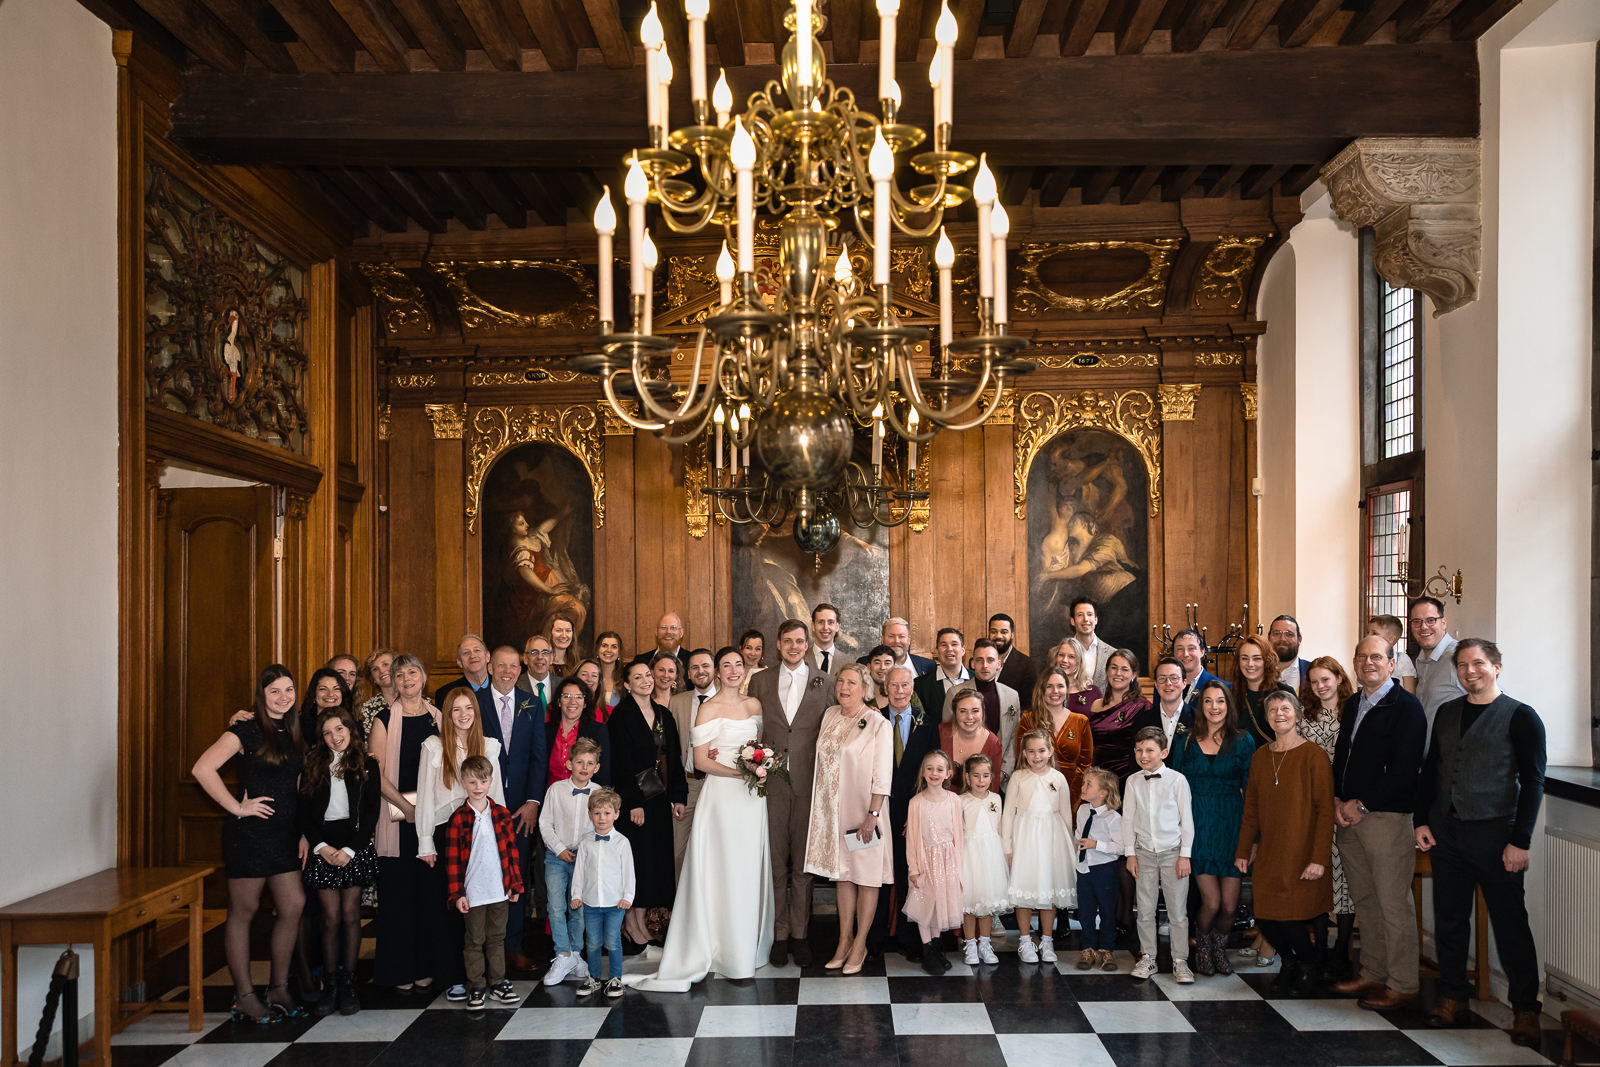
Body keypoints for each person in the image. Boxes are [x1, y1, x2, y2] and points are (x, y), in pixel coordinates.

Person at [1415, 639, 1547, 1047]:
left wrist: (1519, 840)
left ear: (1496, 667)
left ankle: (1526, 1009)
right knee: (1450, 919)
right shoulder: (1448, 713)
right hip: (1447, 833)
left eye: (1478, 664)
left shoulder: (1522, 717)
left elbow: (1534, 783)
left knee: (1510, 924)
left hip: (1496, 834)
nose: (1469, 671)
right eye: (1462, 665)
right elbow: (1432, 770)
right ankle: (1454, 996)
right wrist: (1422, 821)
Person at [636, 645, 775, 990]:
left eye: (737, 665)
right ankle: (721, 950)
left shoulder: (754, 705)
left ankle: (745, 947)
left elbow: (757, 748)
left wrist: (760, 767)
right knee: (722, 870)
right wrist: (739, 773)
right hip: (722, 798)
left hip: (751, 801)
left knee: (746, 870)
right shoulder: (708, 709)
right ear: (716, 671)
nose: (732, 670)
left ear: (744, 669)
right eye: (725, 665)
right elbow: (700, 761)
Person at [191, 664, 307, 1022]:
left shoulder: (295, 729)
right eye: (275, 691)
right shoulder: (245, 729)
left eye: (288, 690)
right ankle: (243, 994)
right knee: (244, 911)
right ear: (262, 695)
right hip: (251, 835)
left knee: (293, 905)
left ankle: (278, 987)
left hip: (286, 835)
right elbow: (202, 769)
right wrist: (238, 808)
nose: (283, 697)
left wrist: (303, 831)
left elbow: (300, 785)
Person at [1331, 634, 1427, 1010]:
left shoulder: (1407, 707)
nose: (1368, 662)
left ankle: (1403, 983)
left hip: (1384, 817)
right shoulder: (1354, 702)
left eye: (1376, 657)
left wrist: (1364, 805)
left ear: (1391, 663)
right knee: (1365, 900)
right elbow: (1343, 755)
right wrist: (1338, 798)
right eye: (1361, 657)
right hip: (1349, 817)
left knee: (1392, 903)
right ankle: (1373, 971)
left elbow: (1405, 770)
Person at [1235, 691, 1333, 996]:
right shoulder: (1261, 756)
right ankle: (1290, 962)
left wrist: (1319, 858)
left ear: (1297, 713)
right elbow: (1250, 808)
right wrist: (1243, 850)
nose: (1279, 713)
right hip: (1270, 851)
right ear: (1266, 717)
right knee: (1265, 915)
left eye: (1285, 708)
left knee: (1293, 917)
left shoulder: (1314, 756)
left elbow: (1325, 810)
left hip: (1303, 850)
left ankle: (1307, 965)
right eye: (1273, 709)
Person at [747, 618, 833, 967]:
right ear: (778, 645)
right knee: (775, 863)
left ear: (807, 644)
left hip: (810, 784)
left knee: (803, 866)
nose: (794, 646)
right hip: (772, 785)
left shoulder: (824, 682)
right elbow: (751, 730)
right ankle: (778, 935)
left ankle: (800, 935)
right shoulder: (760, 681)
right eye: (788, 641)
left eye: (800, 641)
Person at [805, 663, 894, 974]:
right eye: (841, 681)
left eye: (852, 682)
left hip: (864, 816)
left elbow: (883, 775)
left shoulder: (877, 723)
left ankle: (860, 943)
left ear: (865, 688)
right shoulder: (830, 715)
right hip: (834, 816)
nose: (844, 687)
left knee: (867, 879)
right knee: (843, 876)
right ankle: (843, 940)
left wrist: (872, 815)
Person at [416, 689, 504, 1000]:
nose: (463, 714)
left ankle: (483, 978)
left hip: (481, 833)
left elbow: (499, 798)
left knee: (481, 907)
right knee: (450, 906)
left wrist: (500, 838)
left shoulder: (489, 746)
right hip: (445, 833)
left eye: (469, 708)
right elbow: (425, 796)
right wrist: (425, 842)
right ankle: (452, 976)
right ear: (447, 714)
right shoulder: (434, 746)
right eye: (456, 709)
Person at [1168, 679, 1255, 977]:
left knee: (1230, 907)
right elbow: (1173, 788)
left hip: (1231, 827)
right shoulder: (1186, 741)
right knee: (1212, 901)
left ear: (1228, 705)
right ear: (1200, 706)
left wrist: (1252, 840)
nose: (1214, 707)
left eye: (1220, 701)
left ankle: (1219, 946)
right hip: (1198, 828)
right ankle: (1202, 946)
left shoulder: (1243, 741)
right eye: (1208, 701)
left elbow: (1252, 794)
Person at [297, 707, 380, 1017]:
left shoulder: (367, 764)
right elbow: (304, 811)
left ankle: (349, 982)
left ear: (350, 730)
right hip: (323, 844)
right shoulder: (313, 764)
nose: (335, 737)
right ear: (322, 737)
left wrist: (350, 849)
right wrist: (320, 846)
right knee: (329, 917)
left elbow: (371, 813)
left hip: (353, 844)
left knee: (349, 914)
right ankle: (330, 983)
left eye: (340, 729)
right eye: (328, 732)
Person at [368, 654, 441, 993]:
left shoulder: (439, 718)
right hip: (396, 818)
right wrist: (405, 808)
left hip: (434, 823)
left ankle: (426, 965)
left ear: (423, 677)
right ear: (393, 682)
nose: (407, 678)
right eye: (400, 674)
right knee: (398, 897)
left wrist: (427, 813)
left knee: (428, 896)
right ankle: (398, 970)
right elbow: (375, 773)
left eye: (413, 671)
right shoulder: (383, 719)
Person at [608, 660, 688, 948]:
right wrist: (633, 803)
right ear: (627, 685)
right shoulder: (621, 716)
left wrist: (679, 795)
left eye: (647, 675)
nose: (646, 680)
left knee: (654, 863)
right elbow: (620, 764)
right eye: (637, 677)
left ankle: (641, 922)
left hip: (661, 799)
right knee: (638, 863)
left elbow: (674, 757)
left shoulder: (663, 714)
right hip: (636, 804)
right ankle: (631, 923)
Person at [482, 644, 547, 972]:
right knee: (484, 875)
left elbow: (539, 756)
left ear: (519, 670)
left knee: (516, 876)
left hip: (522, 810)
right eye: (501, 666)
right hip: (483, 808)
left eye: (513, 666)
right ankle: (483, 948)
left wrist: (533, 801)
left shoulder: (532, 704)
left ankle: (513, 945)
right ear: (490, 667)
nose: (507, 672)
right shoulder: (474, 704)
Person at [872, 664, 943, 962]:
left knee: (907, 875)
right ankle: (872, 941)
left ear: (912, 688)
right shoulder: (873, 722)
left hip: (910, 813)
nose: (900, 691)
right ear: (884, 689)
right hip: (876, 808)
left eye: (905, 686)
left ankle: (907, 936)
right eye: (894, 686)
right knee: (873, 875)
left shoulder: (926, 724)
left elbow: (933, 770)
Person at [443, 754, 524, 1012]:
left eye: (483, 781)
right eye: (472, 782)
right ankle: (476, 985)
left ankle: (498, 983)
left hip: (499, 890)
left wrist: (515, 884)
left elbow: (512, 851)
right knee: (474, 940)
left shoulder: (501, 814)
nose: (478, 787)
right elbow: (453, 860)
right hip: (474, 892)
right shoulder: (458, 818)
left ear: (491, 782)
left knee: (497, 938)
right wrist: (458, 893)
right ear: (463, 783)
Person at [1296, 656, 1357, 979]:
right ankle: (1318, 946)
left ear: (1338, 678)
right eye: (1314, 681)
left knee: (1344, 879)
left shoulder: (1353, 711)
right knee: (1318, 879)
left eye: (1325, 680)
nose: (1320, 687)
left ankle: (1341, 950)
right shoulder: (1304, 716)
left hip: (1344, 804)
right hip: (1313, 805)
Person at [1120, 725, 1195, 983]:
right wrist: (1130, 853)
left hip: (1173, 852)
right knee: (1145, 909)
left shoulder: (1177, 780)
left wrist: (1185, 854)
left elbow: (1187, 820)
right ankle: (1148, 956)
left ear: (1163, 752)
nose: (1144, 755)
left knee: (1177, 911)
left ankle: (1180, 960)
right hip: (1143, 853)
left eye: (1150, 750)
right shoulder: (1132, 781)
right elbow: (1127, 820)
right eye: (1139, 750)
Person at [1003, 728, 1076, 964]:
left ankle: (1047, 940)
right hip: (1024, 838)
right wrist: (1007, 846)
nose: (1037, 756)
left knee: (1048, 891)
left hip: (1052, 841)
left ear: (1051, 751)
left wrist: (1069, 849)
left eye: (1042, 751)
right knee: (1024, 890)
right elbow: (1008, 815)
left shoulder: (1058, 778)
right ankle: (1025, 940)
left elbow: (1066, 815)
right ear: (1024, 754)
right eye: (1031, 751)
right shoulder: (1018, 777)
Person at [539, 736, 602, 987]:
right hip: (557, 857)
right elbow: (545, 823)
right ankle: (562, 953)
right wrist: (559, 849)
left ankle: (576, 955)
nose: (584, 767)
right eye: (579, 762)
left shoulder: (598, 793)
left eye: (589, 763)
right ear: (568, 764)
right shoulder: (556, 790)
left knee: (579, 908)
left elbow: (601, 826)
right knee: (556, 906)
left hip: (583, 858)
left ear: (596, 767)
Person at [904, 750, 965, 974]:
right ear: (923, 772)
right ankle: (927, 951)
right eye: (929, 768)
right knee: (924, 907)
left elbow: (958, 835)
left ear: (948, 773)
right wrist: (914, 868)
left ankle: (937, 948)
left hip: (948, 863)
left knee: (939, 907)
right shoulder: (916, 803)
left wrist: (958, 867)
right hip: (925, 862)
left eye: (940, 769)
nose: (934, 773)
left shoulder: (954, 801)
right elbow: (912, 839)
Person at [571, 788, 635, 999]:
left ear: (616, 814)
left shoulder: (622, 842)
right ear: (590, 815)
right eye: (597, 813)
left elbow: (628, 872)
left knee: (613, 941)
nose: (602, 818)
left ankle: (616, 978)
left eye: (607, 813)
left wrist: (628, 896)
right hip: (590, 902)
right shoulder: (586, 842)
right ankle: (594, 978)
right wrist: (576, 895)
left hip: (615, 903)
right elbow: (579, 870)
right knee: (592, 941)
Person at [668, 649, 717, 878]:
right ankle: (682, 910)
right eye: (695, 667)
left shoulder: (728, 701)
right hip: (687, 786)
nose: (701, 671)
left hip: (718, 785)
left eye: (706, 666)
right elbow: (669, 750)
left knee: (715, 852)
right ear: (687, 673)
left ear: (714, 669)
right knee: (680, 852)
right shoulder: (676, 703)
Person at [1012, 665, 1093, 802]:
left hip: (1072, 794)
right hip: (1035, 793)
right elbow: (1022, 759)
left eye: (1060, 686)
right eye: (1049, 686)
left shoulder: (1081, 721)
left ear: (1067, 689)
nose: (1055, 691)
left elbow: (1085, 765)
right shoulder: (1028, 719)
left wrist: (1072, 797)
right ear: (1042, 689)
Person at [958, 754, 1010, 966]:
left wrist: (1005, 854)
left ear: (992, 777)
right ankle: (970, 944)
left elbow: (1000, 828)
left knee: (987, 903)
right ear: (968, 777)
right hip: (968, 856)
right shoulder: (960, 801)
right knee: (969, 903)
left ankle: (985, 945)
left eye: (986, 776)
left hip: (991, 856)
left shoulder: (996, 799)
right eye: (976, 775)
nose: (981, 780)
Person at [1074, 767, 1124, 972]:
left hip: (1104, 869)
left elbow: (1120, 847)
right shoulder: (1082, 810)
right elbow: (1078, 836)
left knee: (1106, 910)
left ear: (1103, 792)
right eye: (1084, 783)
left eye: (1089, 784)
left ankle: (1106, 949)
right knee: (1085, 911)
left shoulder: (1113, 818)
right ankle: (1088, 948)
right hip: (1083, 868)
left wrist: (1097, 845)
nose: (1083, 787)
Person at [1086, 649, 1157, 783]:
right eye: (1114, 668)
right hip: (1096, 777)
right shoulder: (1096, 704)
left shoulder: (1142, 707)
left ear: (1133, 675)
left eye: (1124, 669)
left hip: (1126, 778)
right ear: (1107, 671)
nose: (1118, 673)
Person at [1409, 596, 1466, 736]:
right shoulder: (1421, 659)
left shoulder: (1458, 657)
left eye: (1430, 620)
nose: (1423, 627)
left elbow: (1495, 700)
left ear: (1443, 622)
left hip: (1453, 754)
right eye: (1417, 621)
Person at [547, 676, 612, 787]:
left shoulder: (598, 731)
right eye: (566, 696)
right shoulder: (545, 731)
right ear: (558, 701)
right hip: (550, 797)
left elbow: (603, 773)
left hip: (586, 798)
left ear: (585, 703)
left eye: (578, 697)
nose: (573, 702)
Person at [941, 685, 1004, 794]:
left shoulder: (994, 743)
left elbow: (993, 787)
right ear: (955, 713)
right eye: (963, 711)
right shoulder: (940, 733)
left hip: (975, 807)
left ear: (982, 712)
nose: (969, 717)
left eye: (975, 711)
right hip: (941, 803)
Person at [1235, 634, 1294, 745]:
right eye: (1244, 658)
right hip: (1241, 761)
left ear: (1267, 660)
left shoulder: (1284, 693)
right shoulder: (1231, 696)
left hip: (1274, 760)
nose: (1250, 664)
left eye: (1257, 658)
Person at [1172, 628, 1227, 721]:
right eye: (1180, 649)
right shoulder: (1164, 686)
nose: (1185, 654)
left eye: (1191, 648)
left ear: (1202, 652)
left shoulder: (1224, 688)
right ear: (1174, 653)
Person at [913, 627, 970, 713]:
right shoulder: (920, 685)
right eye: (944, 645)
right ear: (937, 651)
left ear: (963, 650)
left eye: (954, 644)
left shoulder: (977, 680)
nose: (949, 649)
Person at [989, 613, 1038, 709]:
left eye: (1004, 632)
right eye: (993, 631)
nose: (998, 636)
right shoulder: (982, 662)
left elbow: (1029, 706)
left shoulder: (1026, 665)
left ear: (1012, 635)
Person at [1068, 597, 1116, 690]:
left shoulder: (1112, 654)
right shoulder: (1059, 654)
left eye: (1089, 614)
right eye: (1080, 615)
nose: (1085, 619)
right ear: (1072, 621)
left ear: (1096, 620)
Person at [435, 633, 492, 706]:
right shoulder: (445, 694)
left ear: (487, 656)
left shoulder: (503, 686)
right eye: (466, 653)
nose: (472, 655)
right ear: (459, 662)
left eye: (477, 650)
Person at [298, 667, 351, 745]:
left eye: (336, 688)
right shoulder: (299, 726)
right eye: (323, 689)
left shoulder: (353, 723)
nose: (330, 694)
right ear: (314, 693)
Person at [1366, 615, 1417, 693]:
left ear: (1391, 639)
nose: (1368, 637)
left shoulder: (1402, 660)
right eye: (1368, 632)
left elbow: (1410, 694)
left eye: (1374, 633)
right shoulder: (1365, 660)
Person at [1150, 656, 1189, 750]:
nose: (1168, 683)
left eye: (1174, 678)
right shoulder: (1143, 720)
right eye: (1162, 678)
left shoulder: (1198, 720)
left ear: (1184, 683)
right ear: (1156, 684)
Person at [357, 648, 397, 739]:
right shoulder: (367, 710)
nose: (382, 671)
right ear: (373, 679)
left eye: (385, 664)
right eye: (375, 669)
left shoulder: (422, 702)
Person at [1266, 614, 1312, 691]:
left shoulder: (1312, 671)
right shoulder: (1257, 672)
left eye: (1289, 634)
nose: (1282, 639)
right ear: (1268, 638)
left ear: (1299, 639)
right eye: (1276, 633)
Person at [519, 634, 557, 714]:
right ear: (525, 658)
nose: (540, 657)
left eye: (545, 652)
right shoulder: (515, 685)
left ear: (551, 658)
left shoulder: (562, 685)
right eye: (534, 652)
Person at [594, 631, 626, 715]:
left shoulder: (626, 678)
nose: (609, 650)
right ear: (597, 650)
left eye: (614, 647)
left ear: (619, 652)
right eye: (604, 646)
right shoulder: (590, 678)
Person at [810, 602, 843, 673]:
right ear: (813, 626)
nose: (825, 627)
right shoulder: (800, 658)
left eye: (830, 622)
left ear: (837, 627)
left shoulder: (848, 662)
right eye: (820, 622)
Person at [545, 612, 582, 677]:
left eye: (568, 631)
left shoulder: (577, 664)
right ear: (550, 633)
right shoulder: (542, 662)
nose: (564, 635)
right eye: (559, 630)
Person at [737, 628, 767, 694]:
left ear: (762, 651)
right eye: (748, 648)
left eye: (758, 649)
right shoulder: (733, 672)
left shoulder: (767, 676)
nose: (753, 653)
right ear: (740, 649)